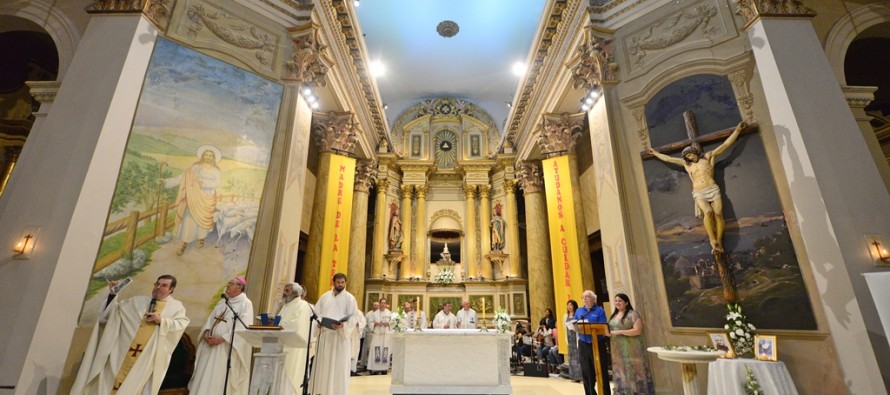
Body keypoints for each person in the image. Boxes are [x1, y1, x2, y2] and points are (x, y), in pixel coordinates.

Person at [71, 274, 189, 395]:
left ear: (171, 289)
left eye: (164, 285)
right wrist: (112, 295)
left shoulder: (176, 308)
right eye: (157, 284)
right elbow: (110, 315)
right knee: (108, 383)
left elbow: (181, 324)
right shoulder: (137, 302)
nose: (158, 287)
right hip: (120, 354)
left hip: (145, 358)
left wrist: (162, 321)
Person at [647, 120, 750, 254]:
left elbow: (725, 145)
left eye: (691, 154)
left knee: (718, 214)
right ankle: (712, 240)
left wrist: (737, 131)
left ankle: (719, 240)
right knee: (708, 212)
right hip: (699, 192)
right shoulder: (687, 164)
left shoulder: (707, 157)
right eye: (687, 156)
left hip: (713, 189)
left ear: (695, 152)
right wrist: (655, 153)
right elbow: (668, 159)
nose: (690, 157)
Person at [188, 276, 253, 395]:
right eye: (228, 283)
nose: (227, 285)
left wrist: (222, 338)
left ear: (240, 287)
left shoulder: (246, 304)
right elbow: (210, 320)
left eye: (231, 283)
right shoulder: (223, 301)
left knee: (218, 377)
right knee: (204, 374)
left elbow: (243, 327)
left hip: (225, 348)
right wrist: (207, 332)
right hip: (210, 345)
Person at [161, 145, 223, 256]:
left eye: (210, 155)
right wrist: (165, 181)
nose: (208, 157)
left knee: (203, 222)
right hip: (192, 197)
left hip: (207, 198)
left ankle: (201, 238)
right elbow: (182, 178)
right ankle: (183, 243)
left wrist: (203, 183)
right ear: (202, 156)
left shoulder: (216, 171)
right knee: (188, 220)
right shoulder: (195, 167)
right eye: (206, 155)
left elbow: (218, 184)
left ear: (213, 157)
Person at [308, 273, 360, 395]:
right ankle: (320, 392)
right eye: (338, 282)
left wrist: (343, 326)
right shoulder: (325, 297)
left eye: (343, 282)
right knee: (323, 365)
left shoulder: (349, 298)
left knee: (338, 367)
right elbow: (317, 313)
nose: (340, 285)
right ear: (334, 282)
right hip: (325, 336)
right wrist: (319, 323)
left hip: (340, 338)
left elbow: (354, 317)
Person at [606, 293, 654, 394]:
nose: (617, 303)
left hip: (631, 349)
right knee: (621, 372)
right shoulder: (614, 315)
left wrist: (620, 332)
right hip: (617, 350)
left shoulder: (632, 314)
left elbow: (638, 330)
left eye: (620, 301)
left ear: (626, 302)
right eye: (616, 301)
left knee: (634, 371)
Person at [574, 290, 610, 395]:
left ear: (593, 299)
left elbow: (602, 327)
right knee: (586, 371)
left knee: (601, 370)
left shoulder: (599, 311)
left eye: (587, 296)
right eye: (583, 297)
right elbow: (576, 325)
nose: (585, 299)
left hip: (597, 343)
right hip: (583, 343)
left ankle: (604, 393)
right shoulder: (579, 311)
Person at [278, 282, 312, 395]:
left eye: (287, 290)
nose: (283, 293)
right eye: (284, 290)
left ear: (295, 293)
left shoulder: (302, 305)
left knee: (291, 374)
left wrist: (279, 323)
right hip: (282, 344)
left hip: (294, 347)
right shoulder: (285, 306)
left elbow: (297, 325)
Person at [366, 298, 392, 374]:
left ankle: (384, 368)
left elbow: (393, 323)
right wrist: (374, 324)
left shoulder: (389, 313)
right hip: (377, 335)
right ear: (379, 303)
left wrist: (389, 324)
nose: (383, 304)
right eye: (382, 303)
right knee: (375, 351)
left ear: (386, 304)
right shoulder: (375, 313)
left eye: (384, 303)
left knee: (385, 351)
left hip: (385, 336)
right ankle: (375, 368)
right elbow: (370, 322)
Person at [564, 299, 582, 382]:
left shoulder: (577, 315)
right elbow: (565, 328)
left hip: (576, 337)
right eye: (568, 305)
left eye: (571, 305)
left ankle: (581, 376)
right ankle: (574, 376)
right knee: (571, 358)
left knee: (579, 358)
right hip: (570, 338)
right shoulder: (565, 316)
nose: (569, 307)